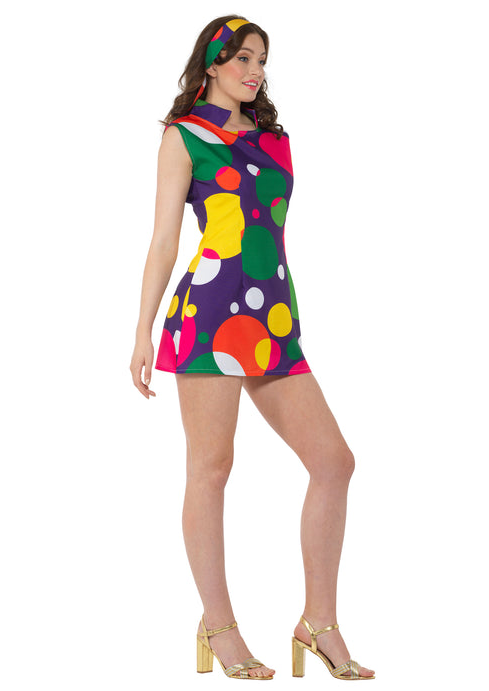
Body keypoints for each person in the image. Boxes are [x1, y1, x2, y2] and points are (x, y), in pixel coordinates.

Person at [130, 15, 375, 681]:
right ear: (211, 63)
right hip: (209, 315)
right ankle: (219, 624)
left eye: (261, 59)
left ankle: (318, 622)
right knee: (211, 469)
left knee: (334, 462)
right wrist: (142, 330)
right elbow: (163, 240)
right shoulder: (184, 137)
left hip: (272, 318)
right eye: (242, 57)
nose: (255, 70)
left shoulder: (275, 139)